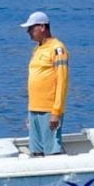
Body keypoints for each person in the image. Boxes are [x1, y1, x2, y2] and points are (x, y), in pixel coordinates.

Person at [21, 10, 70, 157]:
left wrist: (56, 111)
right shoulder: (37, 49)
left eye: (31, 28)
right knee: (36, 152)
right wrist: (30, 110)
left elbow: (63, 81)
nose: (28, 32)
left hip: (49, 110)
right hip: (34, 108)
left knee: (51, 152)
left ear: (42, 27)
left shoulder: (58, 49)